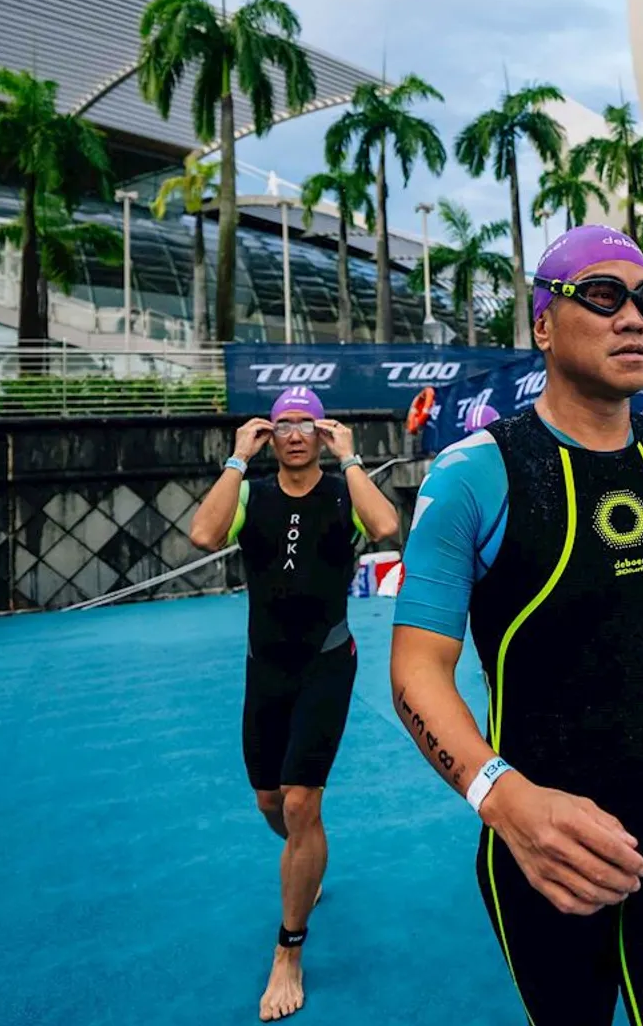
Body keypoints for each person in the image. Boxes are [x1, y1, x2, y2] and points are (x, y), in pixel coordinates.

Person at [389, 226, 643, 1025]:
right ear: (543, 325)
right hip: (544, 834)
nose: (633, 316)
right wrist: (505, 800)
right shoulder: (474, 474)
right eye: (602, 296)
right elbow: (416, 671)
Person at [186, 386, 402, 1022]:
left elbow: (389, 526)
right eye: (284, 425)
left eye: (308, 424)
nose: (297, 434)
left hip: (328, 663)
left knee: (303, 801)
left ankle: (289, 948)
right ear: (268, 436)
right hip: (266, 669)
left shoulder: (343, 493)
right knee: (272, 804)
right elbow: (203, 534)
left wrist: (353, 458)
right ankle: (305, 860)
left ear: (323, 433)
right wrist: (234, 460)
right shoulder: (252, 492)